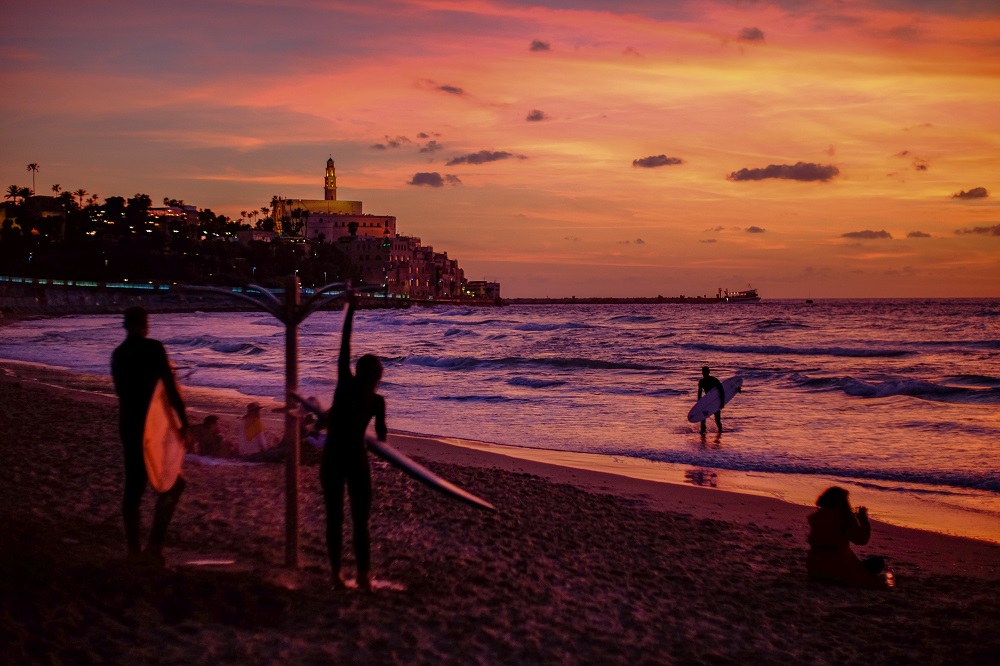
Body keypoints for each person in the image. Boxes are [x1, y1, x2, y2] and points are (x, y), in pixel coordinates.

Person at [111, 306, 190, 564]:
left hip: (129, 426)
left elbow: (123, 393)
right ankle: (154, 546)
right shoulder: (154, 348)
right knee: (173, 484)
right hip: (154, 427)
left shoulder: (118, 355)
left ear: (126, 325)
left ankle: (134, 550)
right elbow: (170, 390)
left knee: (134, 488)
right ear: (145, 324)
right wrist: (184, 424)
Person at [321, 291, 387, 591]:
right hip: (357, 460)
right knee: (361, 521)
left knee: (334, 517)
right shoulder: (377, 402)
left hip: (333, 457)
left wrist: (350, 310)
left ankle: (335, 574)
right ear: (378, 378)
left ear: (357, 371)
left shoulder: (345, 384)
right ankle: (363, 576)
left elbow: (344, 348)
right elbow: (383, 436)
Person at [806, 486, 887, 589]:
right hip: (837, 567)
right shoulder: (843, 518)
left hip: (815, 566)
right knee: (878, 563)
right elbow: (861, 540)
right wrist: (863, 520)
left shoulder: (816, 517)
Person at [697, 366, 725, 434]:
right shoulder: (701, 382)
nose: (704, 373)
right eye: (703, 372)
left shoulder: (714, 380)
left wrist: (722, 402)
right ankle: (703, 433)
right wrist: (699, 404)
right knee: (703, 419)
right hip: (707, 402)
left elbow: (721, 391)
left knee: (717, 420)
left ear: (709, 372)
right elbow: (699, 394)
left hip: (716, 401)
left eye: (705, 372)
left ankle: (720, 432)